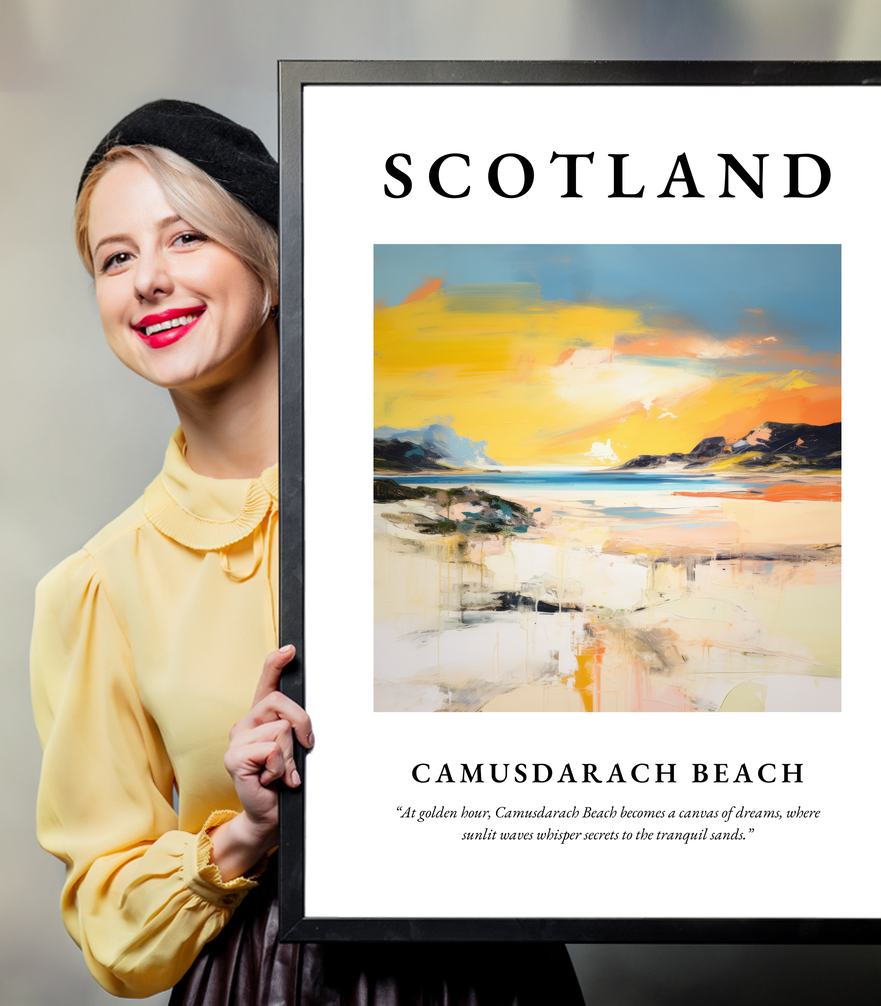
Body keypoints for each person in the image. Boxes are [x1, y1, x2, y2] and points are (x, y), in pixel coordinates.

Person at [30, 100, 586, 1004]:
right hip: (262, 982)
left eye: (185, 239)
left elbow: (608, 712)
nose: (148, 281)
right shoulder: (97, 587)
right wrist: (245, 832)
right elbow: (110, 923)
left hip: (492, 973)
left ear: (273, 263)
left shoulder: (450, 504)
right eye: (116, 257)